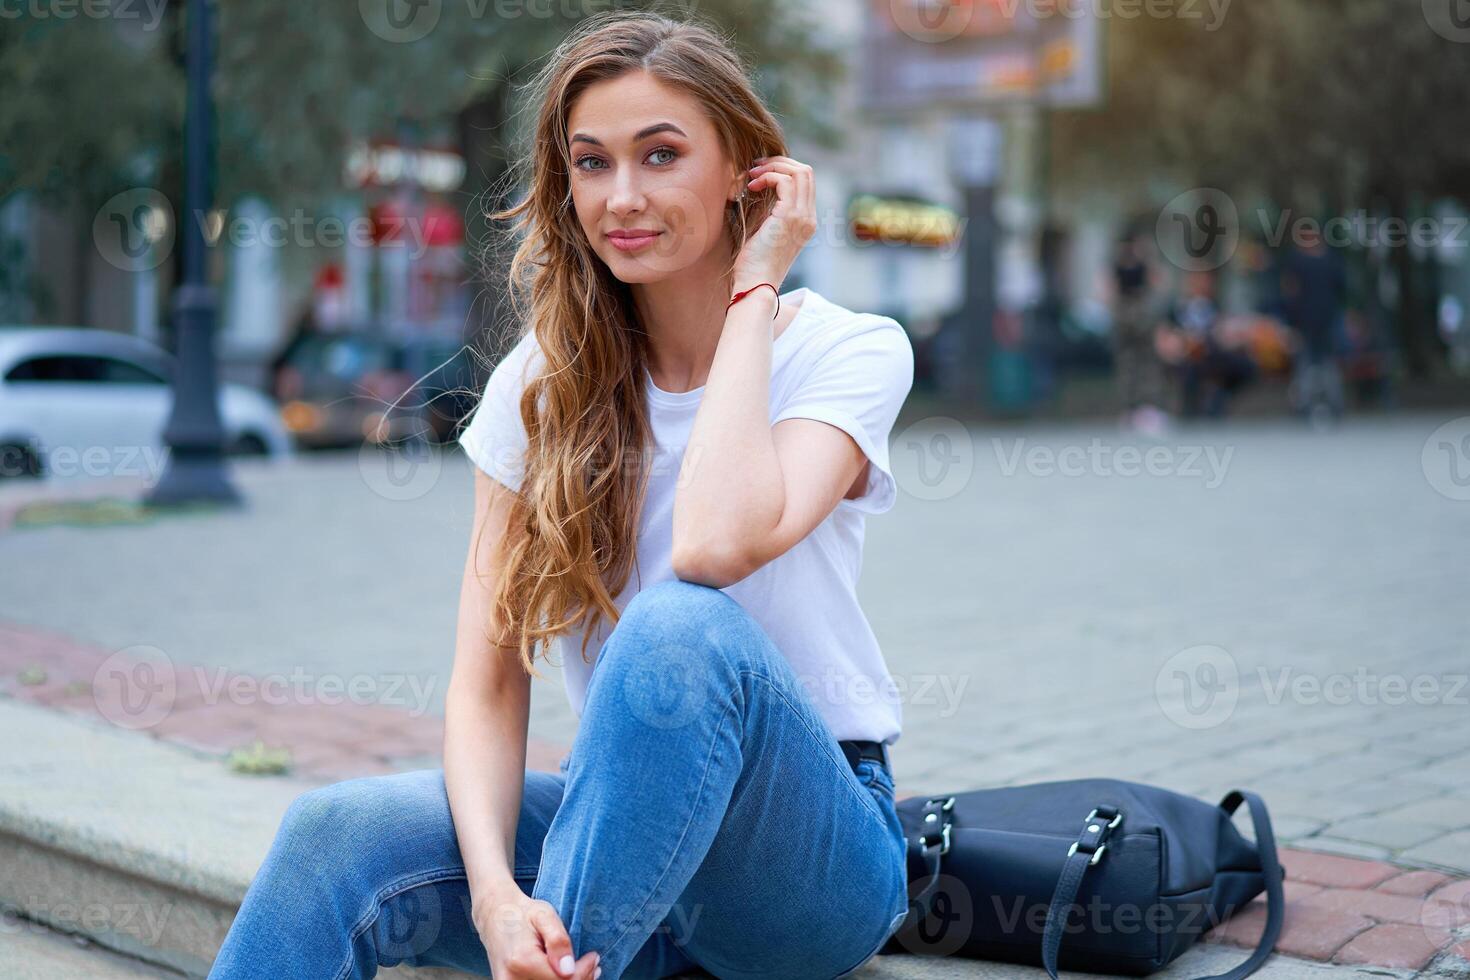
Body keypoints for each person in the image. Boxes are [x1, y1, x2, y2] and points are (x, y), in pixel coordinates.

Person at [208, 12, 914, 980]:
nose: (623, 195)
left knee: (676, 631)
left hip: (807, 861)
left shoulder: (846, 350)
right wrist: (498, 895)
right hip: (624, 826)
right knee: (332, 829)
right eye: (592, 162)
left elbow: (713, 544)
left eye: (661, 155)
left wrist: (756, 286)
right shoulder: (539, 388)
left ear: (744, 171)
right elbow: (488, 683)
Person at [1162, 270, 1256, 418]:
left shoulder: (1213, 305)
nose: (1202, 284)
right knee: (1190, 369)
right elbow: (1165, 335)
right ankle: (1191, 411)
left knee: (1245, 366)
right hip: (1187, 355)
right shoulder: (1177, 307)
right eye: (1198, 280)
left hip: (1213, 353)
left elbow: (1223, 330)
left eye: (1205, 281)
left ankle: (1220, 396)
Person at [1280, 226, 1347, 425]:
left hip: (1327, 319)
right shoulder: (1297, 261)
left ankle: (1334, 403)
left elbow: (1341, 288)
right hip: (1304, 321)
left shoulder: (1330, 261)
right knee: (1305, 363)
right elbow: (1290, 290)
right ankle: (1305, 404)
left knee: (1328, 363)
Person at [1109, 229, 1170, 435]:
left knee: (1146, 362)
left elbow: (1158, 282)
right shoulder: (1116, 264)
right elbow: (1109, 289)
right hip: (1128, 314)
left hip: (1140, 314)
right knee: (1129, 363)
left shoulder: (1142, 263)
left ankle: (1145, 408)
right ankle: (1130, 409)